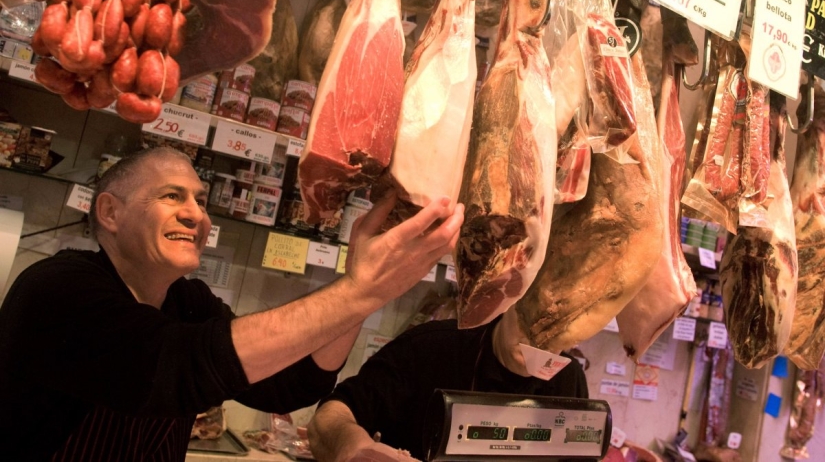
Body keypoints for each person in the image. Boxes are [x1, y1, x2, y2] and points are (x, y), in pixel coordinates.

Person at [0, 146, 464, 461]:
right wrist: (363, 289)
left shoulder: (187, 300)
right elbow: (171, 367)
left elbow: (289, 385)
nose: (196, 214)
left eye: (201, 201)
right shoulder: (58, 289)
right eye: (172, 196)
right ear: (110, 212)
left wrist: (358, 289)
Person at [308, 306, 589, 462]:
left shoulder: (569, 378)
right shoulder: (431, 346)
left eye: (558, 327)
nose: (541, 338)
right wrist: (355, 447)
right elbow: (328, 418)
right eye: (532, 317)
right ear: (512, 302)